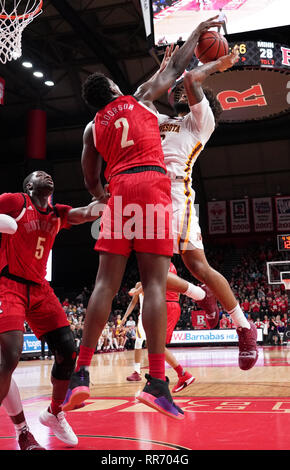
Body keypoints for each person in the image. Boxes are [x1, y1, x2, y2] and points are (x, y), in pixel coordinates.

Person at [62, 16, 223, 420]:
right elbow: (175, 67)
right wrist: (196, 31)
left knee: (104, 284)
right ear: (114, 90)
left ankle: (79, 375)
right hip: (151, 186)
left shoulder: (91, 129)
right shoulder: (138, 97)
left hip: (118, 192)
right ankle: (156, 383)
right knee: (153, 282)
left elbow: (89, 178)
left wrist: (104, 198)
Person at [144, 45, 259, 371]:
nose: (180, 91)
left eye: (185, 90)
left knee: (198, 266)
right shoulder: (163, 120)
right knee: (153, 275)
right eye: (177, 91)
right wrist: (161, 72)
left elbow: (193, 81)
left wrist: (204, 66)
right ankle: (200, 295)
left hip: (177, 198)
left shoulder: (200, 123)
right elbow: (143, 98)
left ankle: (242, 325)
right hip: (149, 200)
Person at [0, 170, 102, 450]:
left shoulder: (58, 213)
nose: (45, 175)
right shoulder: (16, 201)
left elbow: (87, 213)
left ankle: (55, 412)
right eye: (37, 174)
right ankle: (22, 429)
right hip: (9, 285)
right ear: (29, 186)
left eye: (48, 174)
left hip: (40, 289)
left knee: (68, 350)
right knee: (8, 357)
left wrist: (110, 200)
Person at [123, 262, 195, 392]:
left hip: (167, 305)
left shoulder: (158, 261)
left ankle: (180, 375)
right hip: (168, 304)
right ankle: (160, 378)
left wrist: (136, 291)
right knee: (154, 345)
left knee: (157, 346)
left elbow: (151, 282)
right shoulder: (169, 264)